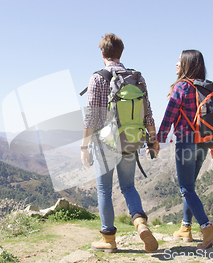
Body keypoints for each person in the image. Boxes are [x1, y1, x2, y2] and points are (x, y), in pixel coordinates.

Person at [80, 33, 160, 253]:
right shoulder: (137, 77)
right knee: (128, 187)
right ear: (121, 52)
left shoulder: (98, 78)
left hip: (105, 143)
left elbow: (92, 118)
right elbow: (148, 113)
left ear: (103, 53)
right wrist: (153, 140)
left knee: (104, 190)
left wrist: (84, 146)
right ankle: (140, 223)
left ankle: (109, 239)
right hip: (131, 140)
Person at [157, 49, 213, 249]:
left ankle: (208, 230)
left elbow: (169, 115)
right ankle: (185, 228)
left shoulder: (182, 87)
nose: (176, 64)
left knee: (186, 188)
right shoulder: (204, 88)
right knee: (190, 187)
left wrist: (157, 140)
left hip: (186, 142)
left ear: (186, 64)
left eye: (179, 61)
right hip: (203, 143)